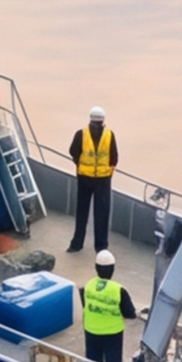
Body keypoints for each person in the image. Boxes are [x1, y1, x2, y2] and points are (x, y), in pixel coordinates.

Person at [77, 252, 131, 362]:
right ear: (113, 269)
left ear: (96, 267)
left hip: (91, 329)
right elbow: (130, 313)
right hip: (112, 332)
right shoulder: (118, 289)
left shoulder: (88, 285)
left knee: (92, 358)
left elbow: (85, 304)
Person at [67, 105, 119, 253]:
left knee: (81, 212)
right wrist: (108, 170)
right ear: (103, 120)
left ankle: (76, 244)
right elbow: (114, 157)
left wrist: (81, 165)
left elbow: (73, 152)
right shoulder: (110, 135)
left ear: (90, 119)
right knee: (102, 213)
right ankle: (101, 246)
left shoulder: (81, 134)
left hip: (84, 178)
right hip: (103, 179)